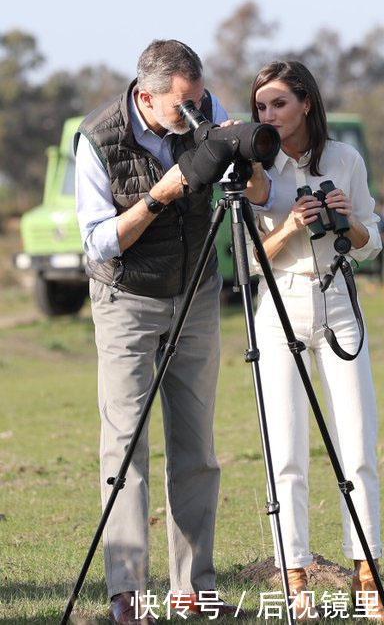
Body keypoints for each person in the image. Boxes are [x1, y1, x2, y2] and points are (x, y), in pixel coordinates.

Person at [75, 39, 251, 625]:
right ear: (146, 96)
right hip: (126, 297)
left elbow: (238, 171)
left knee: (196, 447)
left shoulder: (200, 104)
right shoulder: (97, 139)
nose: (194, 112)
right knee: (126, 448)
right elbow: (99, 241)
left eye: (199, 100)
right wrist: (161, 193)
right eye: (183, 105)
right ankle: (128, 594)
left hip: (197, 291)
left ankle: (193, 589)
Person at [245, 60, 384, 621]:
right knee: (286, 449)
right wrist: (290, 225)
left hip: (339, 304)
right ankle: (295, 574)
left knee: (358, 443)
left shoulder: (345, 160)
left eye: (278, 103)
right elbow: (252, 261)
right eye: (260, 107)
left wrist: (345, 223)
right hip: (280, 304)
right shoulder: (255, 168)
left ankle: (367, 573)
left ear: (305, 103)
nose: (269, 115)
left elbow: (371, 238)